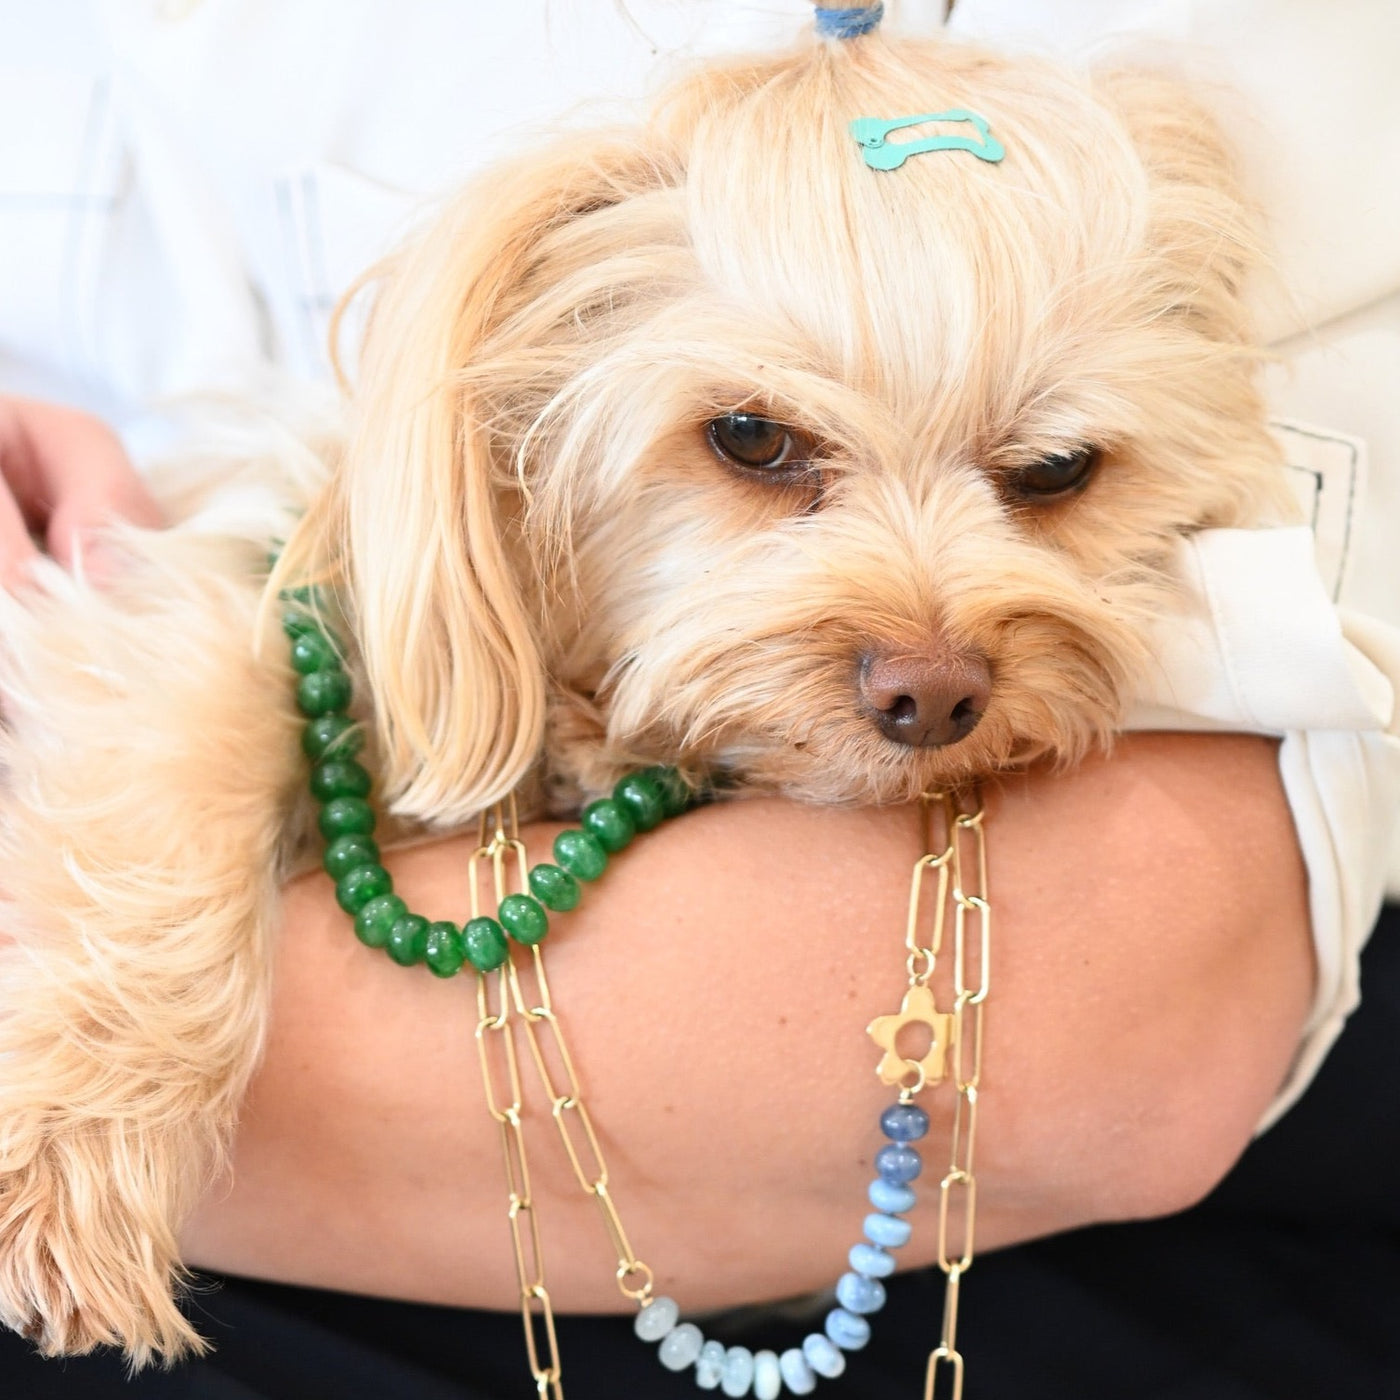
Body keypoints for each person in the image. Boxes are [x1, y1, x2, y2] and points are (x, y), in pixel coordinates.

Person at [0, 3, 1395, 1397]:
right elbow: (204, 634)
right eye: (761, 445)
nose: (927, 654)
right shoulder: (335, 567)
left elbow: (1125, 1049)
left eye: (1047, 476)